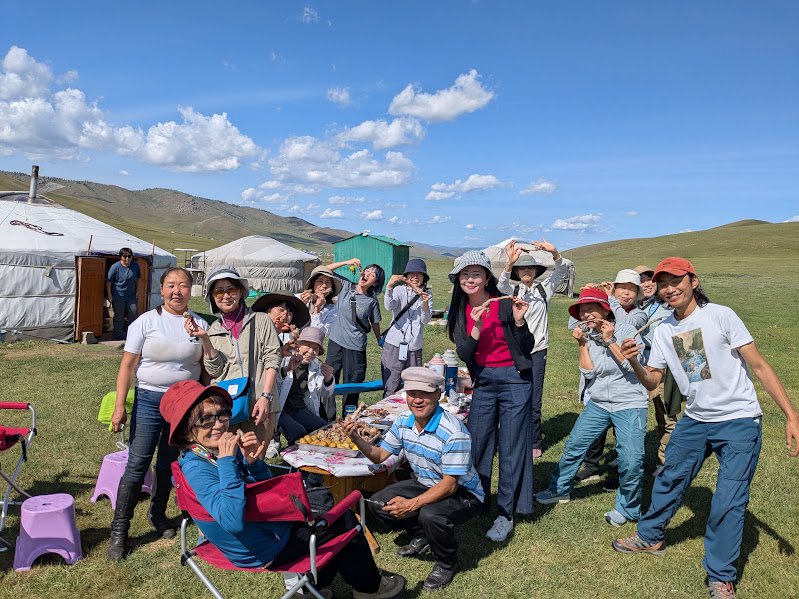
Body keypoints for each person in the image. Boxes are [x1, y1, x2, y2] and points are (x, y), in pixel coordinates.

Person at [612, 257, 799, 599]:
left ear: (693, 281)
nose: (670, 289)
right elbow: (654, 378)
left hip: (739, 419)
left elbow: (758, 364)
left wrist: (791, 415)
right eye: (664, 283)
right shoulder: (665, 329)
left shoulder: (720, 315)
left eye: (677, 280)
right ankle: (651, 537)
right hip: (697, 418)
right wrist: (635, 360)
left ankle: (720, 576)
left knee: (728, 499)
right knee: (669, 476)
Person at [159, 380, 406, 599]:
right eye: (206, 420)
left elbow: (262, 492)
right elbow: (232, 520)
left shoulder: (205, 456)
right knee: (343, 521)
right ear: (187, 432)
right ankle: (370, 588)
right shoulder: (199, 468)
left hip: (260, 534)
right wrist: (227, 462)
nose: (219, 425)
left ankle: (311, 589)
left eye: (222, 415)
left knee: (325, 516)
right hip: (260, 548)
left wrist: (253, 465)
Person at [344, 367, 483, 591]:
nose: (417, 400)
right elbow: (379, 456)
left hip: (463, 492)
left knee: (430, 514)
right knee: (379, 504)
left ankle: (446, 562)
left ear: (439, 394)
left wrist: (411, 504)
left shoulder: (453, 432)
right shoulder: (403, 422)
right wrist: (355, 438)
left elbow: (450, 485)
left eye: (425, 394)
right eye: (412, 393)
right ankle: (423, 535)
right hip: (426, 482)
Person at [108, 267, 208, 560]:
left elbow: (203, 369)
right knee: (138, 463)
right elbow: (127, 366)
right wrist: (119, 406)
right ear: (162, 289)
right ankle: (119, 530)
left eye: (183, 286)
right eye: (171, 285)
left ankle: (158, 514)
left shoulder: (199, 323)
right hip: (150, 400)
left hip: (184, 405)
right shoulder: (146, 322)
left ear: (191, 291)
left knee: (168, 461)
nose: (177, 291)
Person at [535, 288, 648, 527]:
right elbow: (588, 372)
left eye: (591, 310)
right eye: (582, 312)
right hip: (599, 402)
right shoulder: (589, 335)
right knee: (575, 445)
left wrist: (610, 340)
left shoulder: (626, 330)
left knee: (631, 458)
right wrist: (582, 344)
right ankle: (560, 489)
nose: (586, 315)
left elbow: (631, 367)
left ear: (605, 310)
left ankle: (628, 508)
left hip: (629, 403)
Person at [447, 250, 533, 542]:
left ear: (486, 278)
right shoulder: (459, 312)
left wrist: (520, 323)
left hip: (514, 380)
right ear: (458, 280)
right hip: (482, 380)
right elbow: (464, 353)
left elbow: (527, 345)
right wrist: (477, 327)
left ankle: (505, 514)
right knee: (478, 442)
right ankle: (476, 500)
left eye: (476, 274)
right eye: (465, 274)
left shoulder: (505, 304)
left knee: (510, 446)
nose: (470, 280)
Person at [186, 266, 282, 449]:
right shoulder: (213, 330)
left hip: (259, 403)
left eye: (231, 289)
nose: (226, 296)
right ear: (213, 297)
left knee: (255, 460)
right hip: (227, 409)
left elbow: (273, 358)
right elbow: (215, 370)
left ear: (240, 292)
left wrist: (265, 397)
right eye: (219, 291)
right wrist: (205, 338)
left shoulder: (261, 320)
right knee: (228, 459)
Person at [498, 239, 573, 458]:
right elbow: (500, 284)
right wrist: (509, 263)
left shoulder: (544, 289)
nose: (526, 271)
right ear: (518, 272)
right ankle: (512, 436)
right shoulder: (512, 289)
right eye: (522, 268)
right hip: (515, 349)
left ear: (536, 271)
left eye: (530, 267)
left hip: (538, 350)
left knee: (534, 396)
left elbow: (560, 273)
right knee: (512, 393)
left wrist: (555, 252)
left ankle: (534, 441)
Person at [574, 268, 647, 487]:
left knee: (622, 433)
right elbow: (575, 324)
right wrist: (588, 302)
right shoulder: (597, 313)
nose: (626, 294)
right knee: (595, 427)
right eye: (622, 288)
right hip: (597, 379)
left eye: (631, 290)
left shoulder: (638, 314)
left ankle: (619, 471)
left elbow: (627, 324)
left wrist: (609, 302)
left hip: (625, 386)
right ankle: (592, 465)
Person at [251, 290, 311, 457]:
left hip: (269, 400)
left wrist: (285, 367)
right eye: (281, 309)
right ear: (267, 312)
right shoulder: (255, 332)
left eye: (289, 312)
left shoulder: (277, 339)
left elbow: (273, 373)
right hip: (254, 397)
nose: (285, 315)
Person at [324, 258, 384, 414]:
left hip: (355, 346)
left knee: (352, 385)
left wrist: (379, 340)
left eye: (373, 274)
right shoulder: (345, 286)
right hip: (335, 341)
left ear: (375, 283)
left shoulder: (372, 301)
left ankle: (347, 419)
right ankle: (327, 419)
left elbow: (375, 323)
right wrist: (346, 262)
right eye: (367, 270)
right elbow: (325, 270)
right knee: (328, 379)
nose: (367, 274)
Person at [633, 264, 676, 472]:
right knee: (633, 412)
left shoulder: (669, 305)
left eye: (649, 278)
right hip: (638, 362)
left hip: (663, 364)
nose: (646, 283)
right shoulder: (635, 306)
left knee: (665, 414)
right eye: (640, 280)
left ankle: (665, 460)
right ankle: (630, 456)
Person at [381, 258, 433, 396]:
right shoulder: (399, 290)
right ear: (406, 276)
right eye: (412, 274)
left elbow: (425, 320)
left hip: (414, 347)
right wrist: (389, 287)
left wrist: (425, 304)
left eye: (419, 274)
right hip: (394, 345)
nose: (415, 277)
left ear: (424, 277)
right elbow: (389, 306)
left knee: (414, 386)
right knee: (391, 386)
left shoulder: (428, 295)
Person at [277, 327, 335, 445]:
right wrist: (287, 369)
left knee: (324, 428)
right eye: (307, 346)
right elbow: (272, 380)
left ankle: (315, 456)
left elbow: (325, 393)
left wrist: (328, 379)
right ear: (298, 345)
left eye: (315, 349)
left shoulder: (315, 366)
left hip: (298, 408)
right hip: (279, 408)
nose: (310, 351)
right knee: (298, 432)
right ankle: (293, 459)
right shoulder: (284, 359)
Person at [106, 247, 141, 340]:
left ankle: (133, 334)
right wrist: (109, 295)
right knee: (119, 315)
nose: (127, 258)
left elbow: (138, 278)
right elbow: (109, 281)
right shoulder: (115, 267)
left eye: (129, 256)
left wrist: (138, 291)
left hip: (131, 295)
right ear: (121, 257)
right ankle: (117, 335)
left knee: (133, 312)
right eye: (125, 256)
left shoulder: (135, 266)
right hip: (118, 295)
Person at [298, 265, 342, 336]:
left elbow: (317, 334)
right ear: (313, 284)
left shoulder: (332, 310)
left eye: (328, 282)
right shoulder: (298, 297)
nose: (324, 286)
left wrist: (317, 309)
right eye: (320, 281)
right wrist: (300, 305)